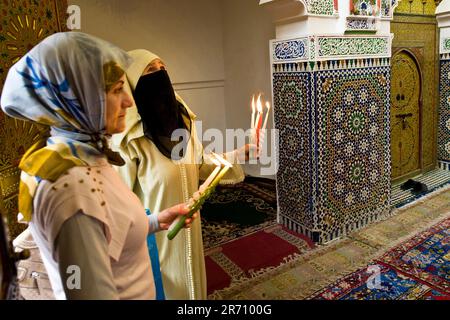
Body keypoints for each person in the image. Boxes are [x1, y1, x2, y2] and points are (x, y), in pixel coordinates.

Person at [0, 33, 194, 300]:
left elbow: (104, 229)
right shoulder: (70, 189)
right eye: (115, 91)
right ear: (78, 100)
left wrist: (153, 222)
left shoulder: (85, 156)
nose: (128, 100)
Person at [112, 49, 253, 300]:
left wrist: (239, 154)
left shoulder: (181, 123)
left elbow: (197, 166)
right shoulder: (129, 141)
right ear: (133, 82)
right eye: (151, 70)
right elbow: (117, 209)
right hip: (155, 245)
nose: (160, 74)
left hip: (190, 233)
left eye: (163, 67)